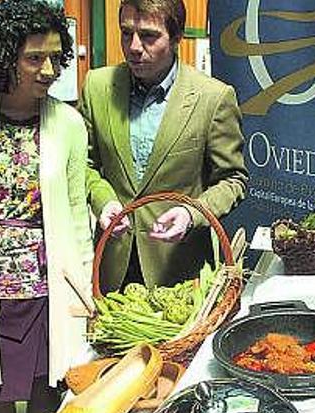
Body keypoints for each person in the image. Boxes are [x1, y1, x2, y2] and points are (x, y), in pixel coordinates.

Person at [0, 0, 95, 413]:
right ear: (3, 57)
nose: (49, 69)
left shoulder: (70, 124)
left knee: (44, 386)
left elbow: (76, 212)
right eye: (35, 58)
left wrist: (87, 286)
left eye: (55, 57)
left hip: (47, 282)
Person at [82, 0, 249, 293]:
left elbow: (232, 180)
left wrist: (191, 213)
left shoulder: (213, 98)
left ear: (175, 37)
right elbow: (85, 164)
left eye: (148, 36)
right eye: (126, 33)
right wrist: (103, 200)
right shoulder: (97, 86)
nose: (134, 47)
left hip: (178, 269)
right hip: (111, 266)